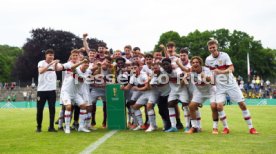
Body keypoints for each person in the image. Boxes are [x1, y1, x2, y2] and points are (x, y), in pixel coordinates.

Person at [205, 39, 258, 134]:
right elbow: (209, 74)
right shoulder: (208, 60)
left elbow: (231, 68)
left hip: (231, 85)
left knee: (242, 104)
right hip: (220, 87)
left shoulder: (224, 55)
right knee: (219, 106)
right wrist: (206, 79)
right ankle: (226, 128)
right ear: (208, 49)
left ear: (217, 47)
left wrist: (221, 71)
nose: (212, 49)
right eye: (210, 48)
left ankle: (251, 128)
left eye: (213, 47)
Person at [36, 49, 60, 132]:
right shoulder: (41, 63)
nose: (51, 56)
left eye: (52, 55)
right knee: (40, 109)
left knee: (52, 109)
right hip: (41, 90)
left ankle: (51, 127)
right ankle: (39, 127)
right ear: (46, 56)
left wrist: (56, 63)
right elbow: (41, 71)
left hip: (52, 90)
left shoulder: (54, 63)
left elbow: (58, 69)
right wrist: (50, 64)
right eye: (49, 55)